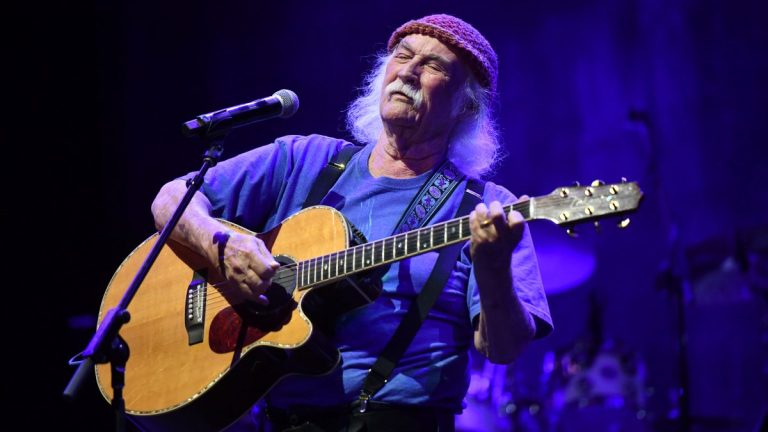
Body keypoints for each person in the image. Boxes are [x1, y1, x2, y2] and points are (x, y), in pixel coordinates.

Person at [151, 13, 552, 432]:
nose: (408, 72)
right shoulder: (304, 159)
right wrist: (222, 246)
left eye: (433, 65)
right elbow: (172, 199)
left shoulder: (488, 208)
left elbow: (503, 349)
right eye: (402, 56)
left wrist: (492, 267)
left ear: (465, 106)